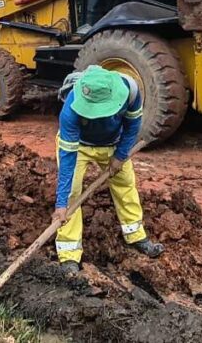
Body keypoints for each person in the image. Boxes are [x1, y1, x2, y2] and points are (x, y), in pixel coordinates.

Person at [52, 65, 164, 277]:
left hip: (113, 144)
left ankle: (136, 235)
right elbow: (67, 159)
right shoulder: (70, 110)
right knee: (72, 193)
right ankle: (69, 254)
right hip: (80, 147)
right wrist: (61, 204)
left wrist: (120, 155)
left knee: (125, 184)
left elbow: (132, 126)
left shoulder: (130, 91)